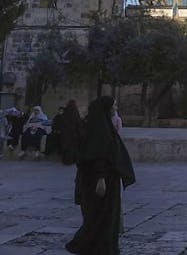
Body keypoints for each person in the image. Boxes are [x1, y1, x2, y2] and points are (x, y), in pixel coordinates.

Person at [66, 96, 136, 255]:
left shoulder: (100, 125)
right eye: (114, 105)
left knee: (104, 215)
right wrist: (101, 178)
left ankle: (102, 247)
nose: (116, 108)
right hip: (101, 180)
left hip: (105, 178)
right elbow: (98, 155)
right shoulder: (99, 129)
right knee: (101, 215)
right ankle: (88, 245)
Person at [57, 100, 82, 166]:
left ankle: (66, 160)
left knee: (66, 146)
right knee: (72, 147)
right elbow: (78, 122)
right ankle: (71, 160)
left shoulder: (65, 112)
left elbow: (61, 122)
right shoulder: (75, 112)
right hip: (73, 133)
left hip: (65, 133)